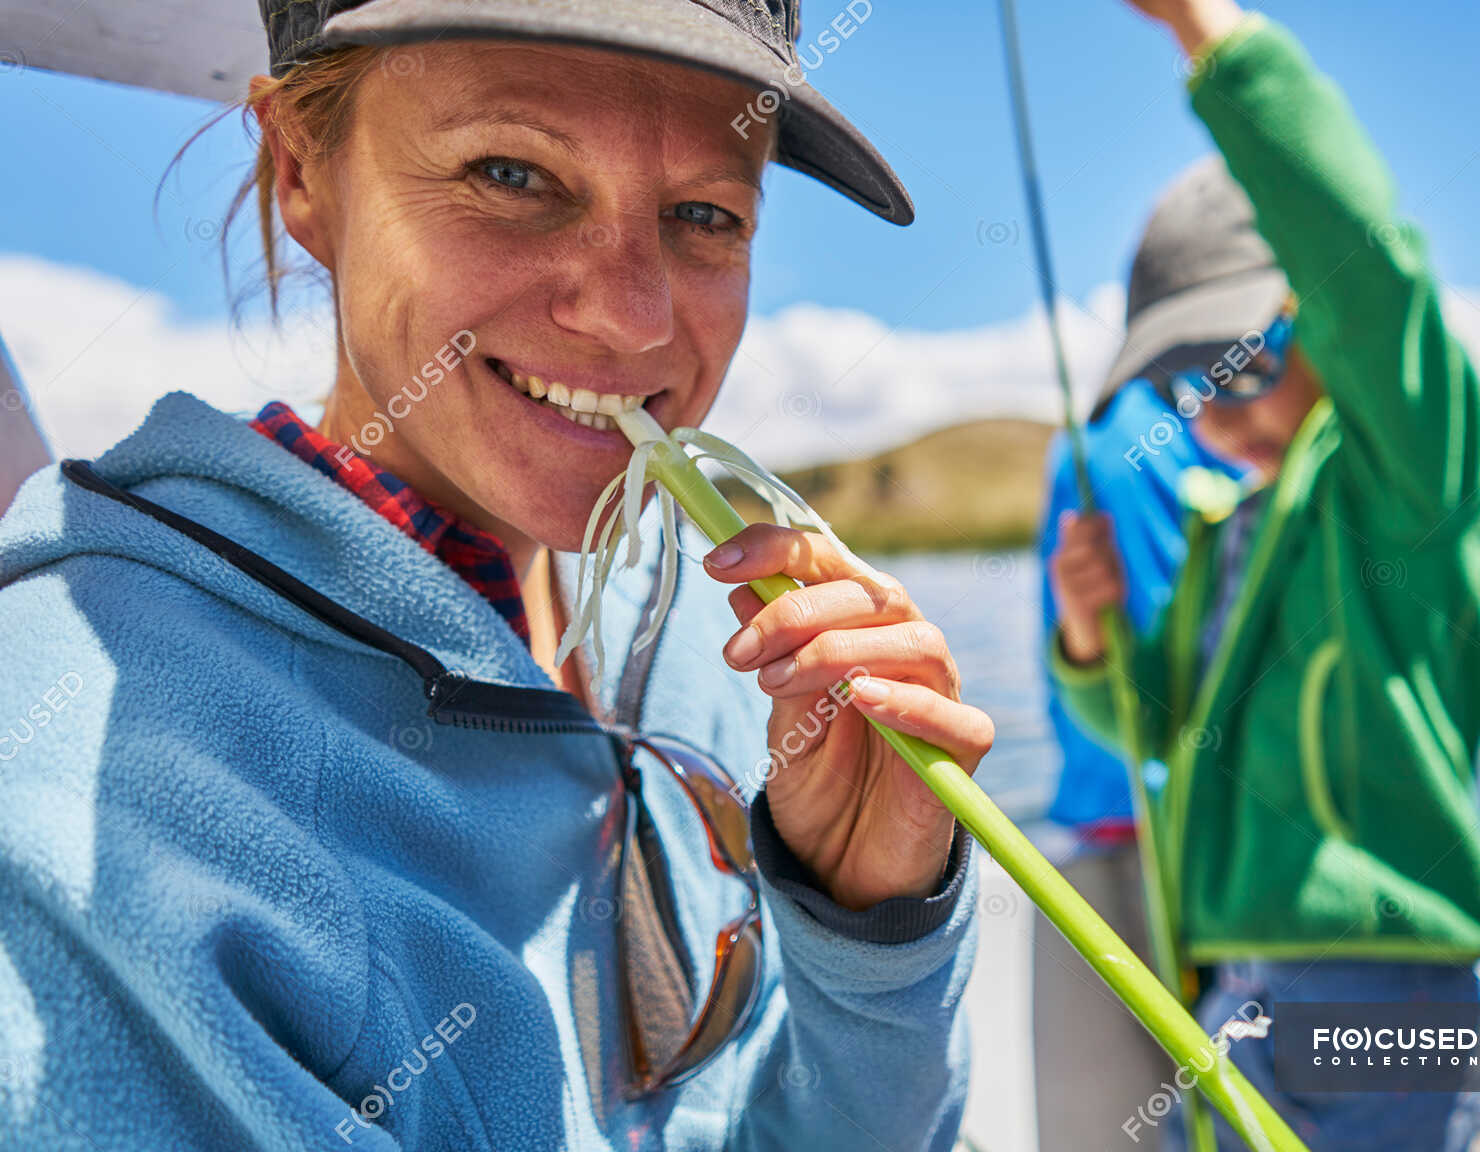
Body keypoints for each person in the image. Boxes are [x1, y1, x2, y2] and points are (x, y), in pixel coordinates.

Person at [0, 2, 995, 1148]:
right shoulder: (84, 814)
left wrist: (872, 939)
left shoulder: (712, 645)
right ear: (301, 170)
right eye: (514, 173)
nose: (631, 316)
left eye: (704, 213)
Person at [1047, 2, 1480, 1148]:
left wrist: (1209, 33)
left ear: (1320, 322)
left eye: (1242, 361)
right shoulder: (1230, 522)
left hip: (1376, 1000)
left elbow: (1370, 268)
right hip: (1242, 993)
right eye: (1180, 384)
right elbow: (1152, 725)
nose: (1214, 414)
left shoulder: (1409, 481)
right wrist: (1091, 641)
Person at [1031, 378, 1247, 1152]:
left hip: (1096, 821)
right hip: (1188, 840)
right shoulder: (1214, 438)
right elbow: (1181, 701)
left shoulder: (1084, 444)